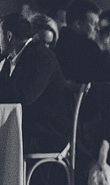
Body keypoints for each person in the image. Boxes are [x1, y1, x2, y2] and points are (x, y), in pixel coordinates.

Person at [0, 13, 68, 154]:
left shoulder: (41, 56)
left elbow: (24, 97)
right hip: (22, 126)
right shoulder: (9, 60)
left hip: (45, 133)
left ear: (9, 36)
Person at [55, 0, 108, 82]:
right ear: (78, 24)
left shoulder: (55, 44)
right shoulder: (90, 49)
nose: (97, 28)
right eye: (94, 24)